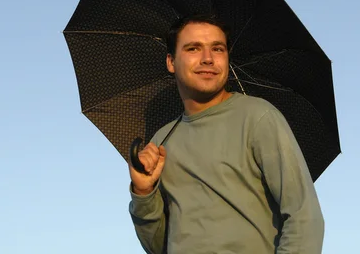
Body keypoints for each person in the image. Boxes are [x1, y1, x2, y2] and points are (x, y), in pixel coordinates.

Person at [128, 14, 324, 254]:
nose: (208, 59)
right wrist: (143, 193)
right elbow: (159, 247)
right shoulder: (161, 141)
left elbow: (304, 217)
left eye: (217, 49)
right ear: (171, 61)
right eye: (193, 48)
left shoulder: (258, 117)